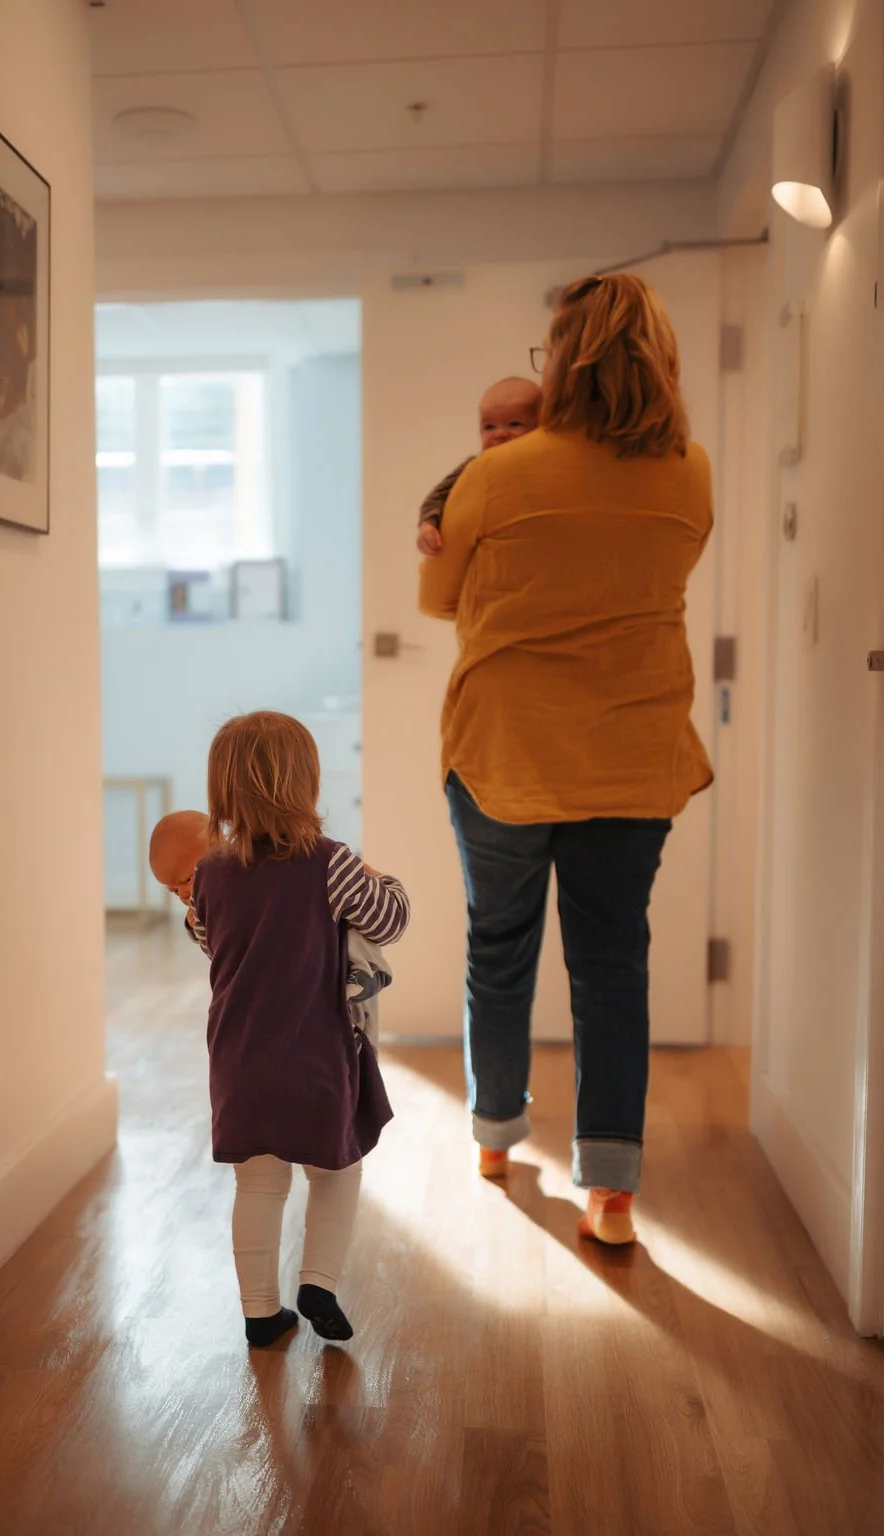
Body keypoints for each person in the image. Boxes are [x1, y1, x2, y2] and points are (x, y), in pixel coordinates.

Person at [418, 273, 714, 1246]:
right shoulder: (689, 472)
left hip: (505, 752)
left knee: (498, 952)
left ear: (565, 362)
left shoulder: (494, 476)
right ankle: (611, 1193)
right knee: (611, 963)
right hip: (632, 753)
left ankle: (497, 1137)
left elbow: (437, 597)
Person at [170, 713, 410, 1346]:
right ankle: (319, 1284)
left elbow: (207, 941)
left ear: (221, 793)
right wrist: (386, 883)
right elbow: (388, 922)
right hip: (315, 1056)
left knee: (258, 1182)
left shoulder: (209, 878)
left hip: (239, 1061)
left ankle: (259, 1313)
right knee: (336, 1172)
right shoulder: (331, 865)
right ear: (306, 785)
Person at [149, 809, 395, 1051]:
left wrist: (373, 878)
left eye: (188, 880)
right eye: (173, 890)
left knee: (348, 925)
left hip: (342, 969)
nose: (182, 894)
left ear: (218, 847)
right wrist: (198, 926)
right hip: (297, 1014)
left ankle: (368, 970)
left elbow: (386, 917)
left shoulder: (249, 873)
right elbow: (224, 952)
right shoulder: (210, 902)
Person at [416, 376, 542, 556]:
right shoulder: (475, 466)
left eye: (515, 424)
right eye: (489, 427)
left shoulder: (543, 466)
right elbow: (437, 496)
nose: (500, 434)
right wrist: (427, 525)